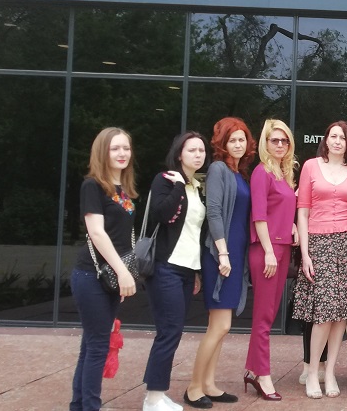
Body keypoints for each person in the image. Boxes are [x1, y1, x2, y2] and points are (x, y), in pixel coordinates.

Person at [185, 118, 255, 408]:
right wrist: (223, 253)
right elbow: (214, 212)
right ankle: (193, 387)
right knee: (220, 325)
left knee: (220, 326)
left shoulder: (239, 173)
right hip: (221, 255)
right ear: (222, 144)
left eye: (241, 139)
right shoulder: (218, 169)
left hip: (235, 254)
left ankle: (209, 384)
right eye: (232, 140)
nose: (238, 144)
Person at [293, 120, 347, 399]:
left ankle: (330, 371)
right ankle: (313, 372)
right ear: (326, 140)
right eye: (333, 136)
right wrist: (305, 254)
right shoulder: (311, 166)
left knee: (340, 316)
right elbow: (302, 211)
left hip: (346, 244)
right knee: (322, 315)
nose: (337, 141)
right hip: (318, 243)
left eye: (342, 138)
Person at [70, 128, 138, 411]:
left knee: (91, 346)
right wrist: (122, 272)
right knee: (98, 347)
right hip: (91, 276)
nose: (122, 153)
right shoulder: (93, 186)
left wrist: (122, 274)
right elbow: (97, 233)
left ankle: (80, 405)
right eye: (115, 148)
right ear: (102, 152)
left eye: (126, 148)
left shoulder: (123, 189)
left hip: (110, 277)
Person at [143, 132, 208, 411]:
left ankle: (157, 394)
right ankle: (153, 398)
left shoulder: (196, 187)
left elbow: (193, 233)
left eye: (201, 150)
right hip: (165, 267)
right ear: (179, 153)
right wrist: (179, 186)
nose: (198, 154)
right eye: (192, 150)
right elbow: (161, 213)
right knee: (169, 331)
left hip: (186, 269)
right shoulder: (166, 180)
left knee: (173, 331)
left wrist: (197, 271)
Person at [244, 119, 298, 402]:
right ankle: (262, 375)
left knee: (268, 313)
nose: (280, 145)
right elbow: (260, 215)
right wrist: (267, 251)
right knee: (264, 317)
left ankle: (252, 369)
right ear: (265, 143)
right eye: (274, 140)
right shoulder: (262, 172)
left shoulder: (282, 173)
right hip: (267, 249)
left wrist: (293, 225)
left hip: (282, 247)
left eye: (284, 140)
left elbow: (282, 208)